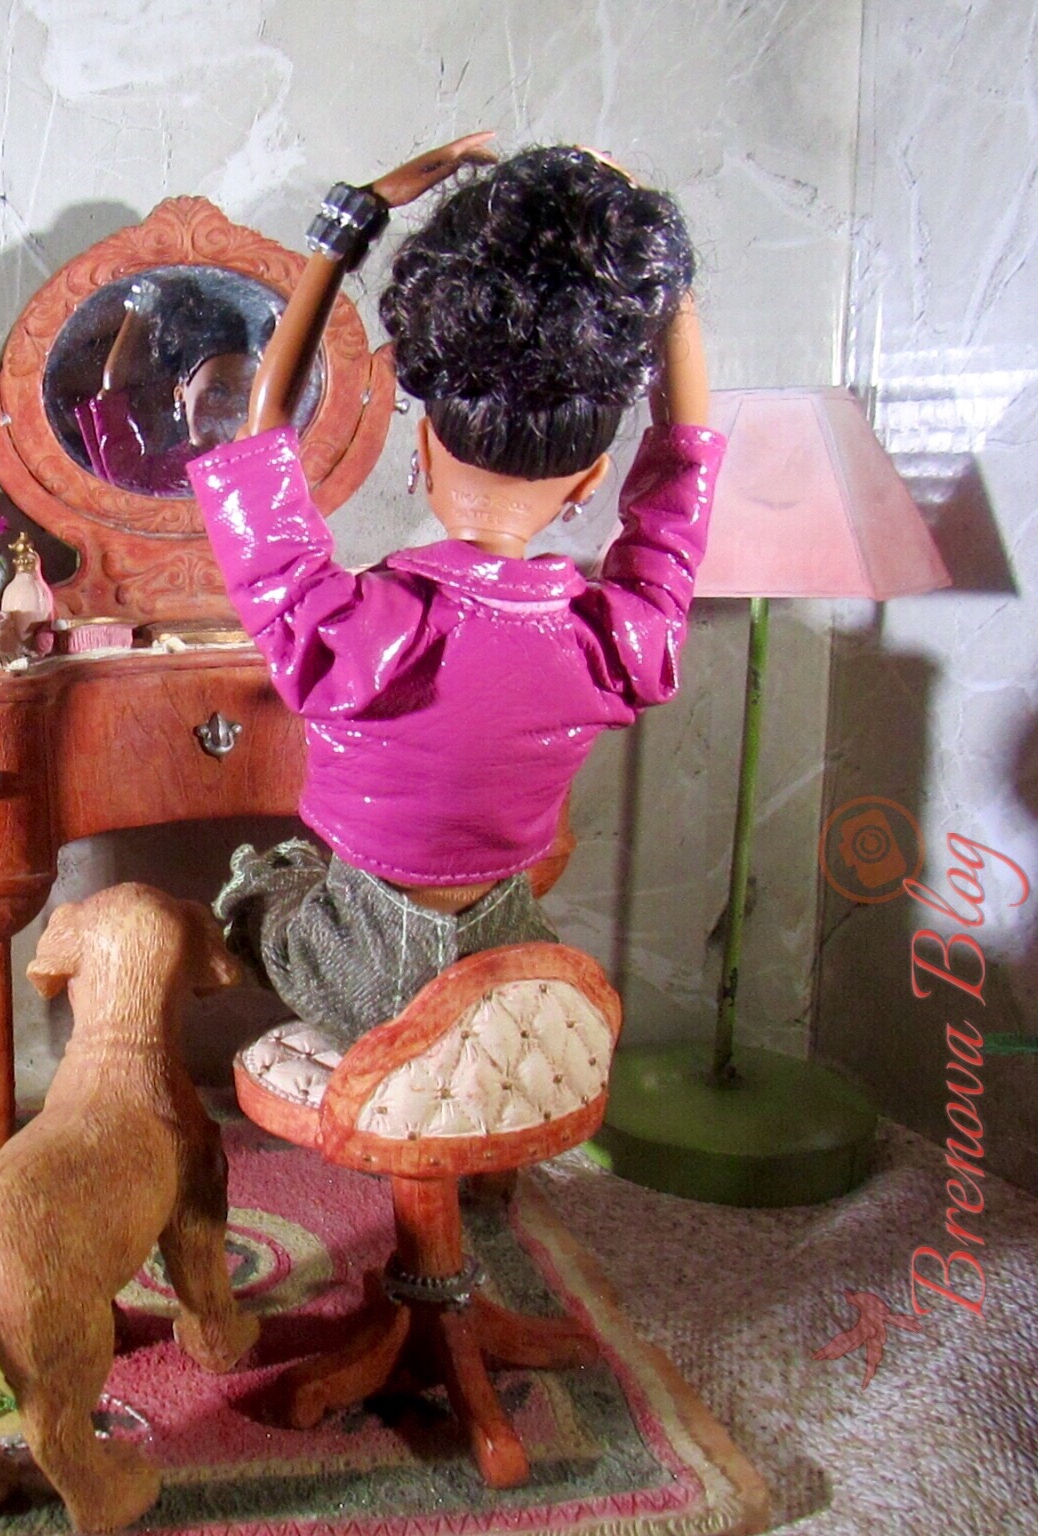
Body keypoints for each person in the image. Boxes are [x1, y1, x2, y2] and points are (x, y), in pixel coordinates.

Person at [189, 143, 721, 1045]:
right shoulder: (617, 641)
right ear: (592, 481)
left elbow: (261, 429)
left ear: (423, 447)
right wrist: (659, 267)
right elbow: (682, 475)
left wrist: (349, 223)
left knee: (258, 888)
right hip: (509, 958)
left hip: (360, 966)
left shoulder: (344, 628)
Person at [74, 275, 269, 496]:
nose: (232, 409)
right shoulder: (167, 474)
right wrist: (140, 308)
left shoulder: (259, 458)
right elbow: (112, 391)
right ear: (180, 394)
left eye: (247, 396)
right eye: (217, 392)